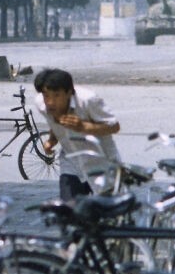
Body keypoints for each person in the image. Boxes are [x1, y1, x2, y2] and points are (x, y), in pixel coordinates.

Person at [33, 68, 121, 201]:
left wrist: (84, 127)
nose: (50, 102)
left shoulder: (88, 100)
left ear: (69, 92)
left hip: (102, 163)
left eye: (56, 95)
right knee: (69, 211)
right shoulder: (41, 104)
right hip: (71, 163)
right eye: (46, 95)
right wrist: (51, 140)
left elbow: (114, 126)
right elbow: (54, 124)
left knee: (107, 214)